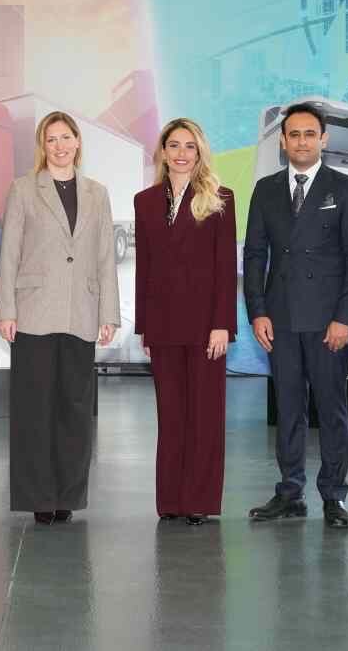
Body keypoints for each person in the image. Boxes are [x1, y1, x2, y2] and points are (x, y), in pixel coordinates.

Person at [243, 101, 348, 529]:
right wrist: (257, 311)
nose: (301, 142)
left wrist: (344, 317)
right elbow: (255, 254)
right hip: (279, 318)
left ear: (323, 140)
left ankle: (334, 495)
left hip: (328, 320)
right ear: (283, 141)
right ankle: (290, 492)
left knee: (332, 410)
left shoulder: (347, 188)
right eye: (293, 134)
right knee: (289, 409)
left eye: (309, 134)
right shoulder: (266, 189)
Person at [0, 112, 121, 525]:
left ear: (78, 142)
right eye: (52, 139)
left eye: (67, 137)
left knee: (74, 409)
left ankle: (67, 494)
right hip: (33, 312)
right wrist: (5, 309)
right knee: (33, 410)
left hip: (81, 312)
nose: (60, 146)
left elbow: (105, 256)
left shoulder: (97, 193)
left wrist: (108, 312)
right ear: (42, 146)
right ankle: (38, 497)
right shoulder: (23, 189)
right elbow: (9, 253)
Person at [133, 118, 236, 525]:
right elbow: (144, 268)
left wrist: (222, 324)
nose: (181, 153)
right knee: (171, 415)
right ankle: (171, 501)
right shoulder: (144, 201)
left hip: (206, 325)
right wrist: (144, 327)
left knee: (205, 415)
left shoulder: (220, 198)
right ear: (162, 151)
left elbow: (225, 267)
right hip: (163, 325)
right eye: (173, 145)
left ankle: (199, 500)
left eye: (189, 146)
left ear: (200, 152)